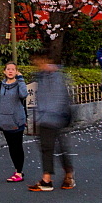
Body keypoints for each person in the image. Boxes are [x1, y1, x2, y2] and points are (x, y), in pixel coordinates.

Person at [28, 52, 74, 192]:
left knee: (52, 148)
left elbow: (60, 97)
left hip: (53, 116)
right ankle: (56, 177)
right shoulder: (41, 76)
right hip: (47, 117)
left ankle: (59, 177)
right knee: (50, 148)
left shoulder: (56, 76)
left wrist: (50, 114)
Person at [0, 62, 28, 181]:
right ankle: (17, 170)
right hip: (4, 121)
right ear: (4, 71)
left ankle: (19, 172)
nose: (10, 71)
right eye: (8, 69)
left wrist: (21, 79)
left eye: (13, 69)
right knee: (11, 147)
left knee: (17, 146)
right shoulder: (1, 85)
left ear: (16, 71)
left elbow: (24, 95)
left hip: (17, 120)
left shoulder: (19, 84)